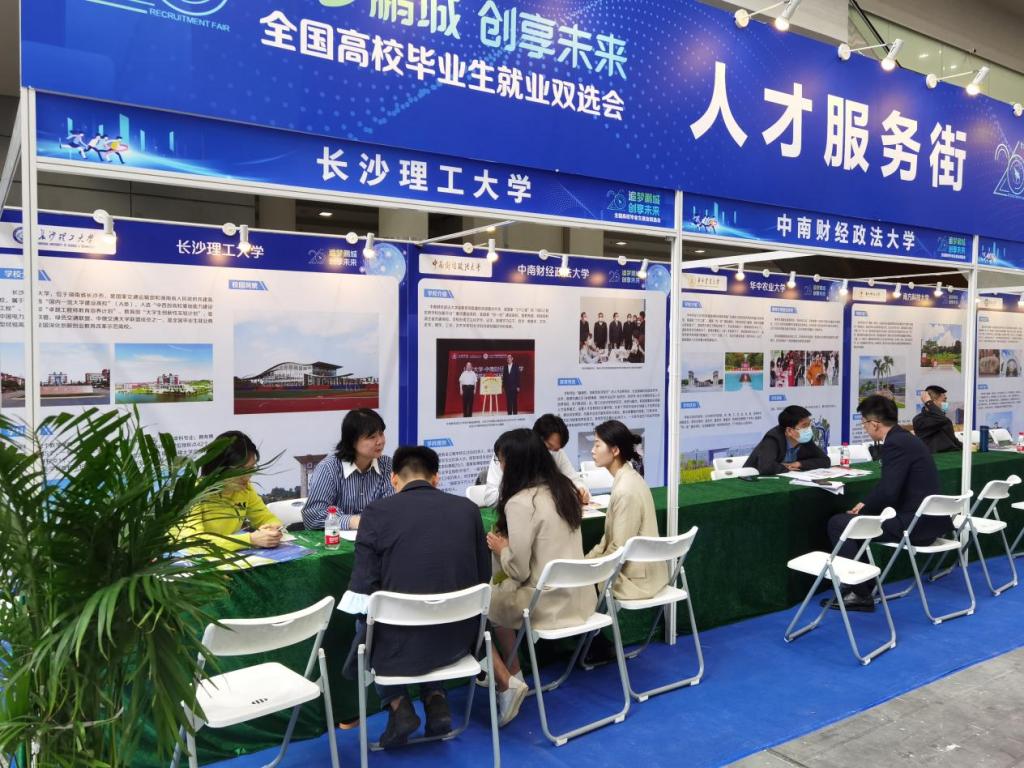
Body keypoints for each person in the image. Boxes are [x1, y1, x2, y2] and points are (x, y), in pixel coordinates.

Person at [339, 446, 490, 747]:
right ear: (436, 478)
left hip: (398, 647)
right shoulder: (468, 509)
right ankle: (435, 697)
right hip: (457, 641)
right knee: (429, 616)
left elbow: (363, 587)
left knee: (366, 620)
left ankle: (398, 704)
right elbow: (483, 575)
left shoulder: (376, 513)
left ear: (394, 479)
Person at [485, 429, 594, 726]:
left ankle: (512, 678)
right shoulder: (565, 490)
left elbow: (518, 570)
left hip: (546, 605)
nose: (500, 466)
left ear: (514, 462)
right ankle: (512, 674)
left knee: (485, 602)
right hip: (582, 600)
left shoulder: (520, 502)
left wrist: (502, 548)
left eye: (501, 460)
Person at [824, 395, 946, 612]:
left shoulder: (895, 443)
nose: (865, 427)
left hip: (915, 525)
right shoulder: (906, 438)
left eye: (864, 423)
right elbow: (890, 486)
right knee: (857, 523)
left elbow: (889, 491)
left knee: (840, 524)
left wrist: (864, 510)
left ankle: (859, 593)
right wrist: (865, 505)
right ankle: (864, 585)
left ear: (874, 424)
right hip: (929, 522)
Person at [586, 420, 666, 599]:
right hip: (641, 572)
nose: (592, 450)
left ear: (615, 451)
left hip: (635, 580)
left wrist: (586, 569)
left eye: (597, 445)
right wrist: (586, 562)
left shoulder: (625, 490)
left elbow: (618, 548)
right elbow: (611, 540)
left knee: (576, 589)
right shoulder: (628, 477)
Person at [179, 431, 282, 551]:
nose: (247, 477)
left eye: (251, 469)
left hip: (222, 555)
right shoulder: (193, 493)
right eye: (239, 470)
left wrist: (272, 530)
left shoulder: (245, 489)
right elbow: (193, 542)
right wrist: (250, 540)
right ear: (218, 467)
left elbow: (266, 518)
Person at [303, 408, 394, 530]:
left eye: (381, 434)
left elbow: (393, 508)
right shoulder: (329, 468)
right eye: (372, 437)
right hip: (336, 540)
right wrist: (352, 521)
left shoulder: (387, 465)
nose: (380, 441)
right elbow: (312, 517)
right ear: (352, 441)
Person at [482, 414, 589, 507]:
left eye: (556, 449)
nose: (550, 453)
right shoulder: (507, 453)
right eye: (548, 447)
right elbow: (490, 499)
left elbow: (575, 481)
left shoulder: (556, 453)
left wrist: (580, 491)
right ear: (536, 440)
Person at [743, 405, 830, 476]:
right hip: (753, 479)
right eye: (804, 425)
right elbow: (766, 467)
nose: (809, 428)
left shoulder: (805, 439)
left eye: (809, 424)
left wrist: (799, 464)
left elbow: (825, 460)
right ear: (789, 431)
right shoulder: (773, 438)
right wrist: (785, 467)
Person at [912, 385, 962, 454]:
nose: (946, 403)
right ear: (932, 402)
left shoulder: (945, 419)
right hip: (936, 457)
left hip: (952, 455)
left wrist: (966, 447)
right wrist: (929, 402)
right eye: (944, 400)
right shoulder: (919, 420)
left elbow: (953, 440)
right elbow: (941, 419)